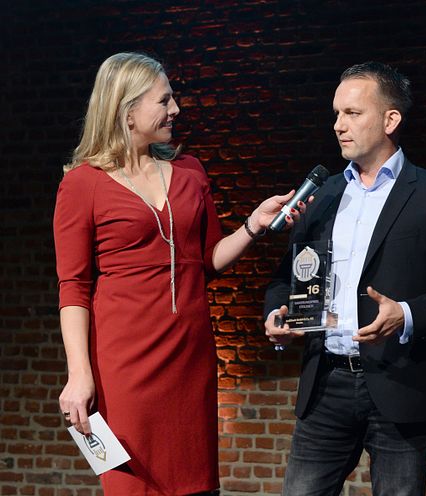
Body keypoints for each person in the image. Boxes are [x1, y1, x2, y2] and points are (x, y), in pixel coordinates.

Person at [53, 52, 305, 495]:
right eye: (164, 100)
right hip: (125, 363)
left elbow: (206, 260)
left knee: (196, 485)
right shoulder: (83, 184)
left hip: (189, 359)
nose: (176, 110)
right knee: (134, 487)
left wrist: (253, 225)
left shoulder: (190, 172)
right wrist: (79, 373)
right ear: (127, 110)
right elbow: (74, 285)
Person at [263, 61, 426, 495]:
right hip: (325, 383)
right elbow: (285, 278)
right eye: (336, 114)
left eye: (352, 113)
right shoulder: (324, 194)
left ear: (391, 120)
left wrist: (405, 314)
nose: (338, 126)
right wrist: (278, 311)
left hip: (400, 384)